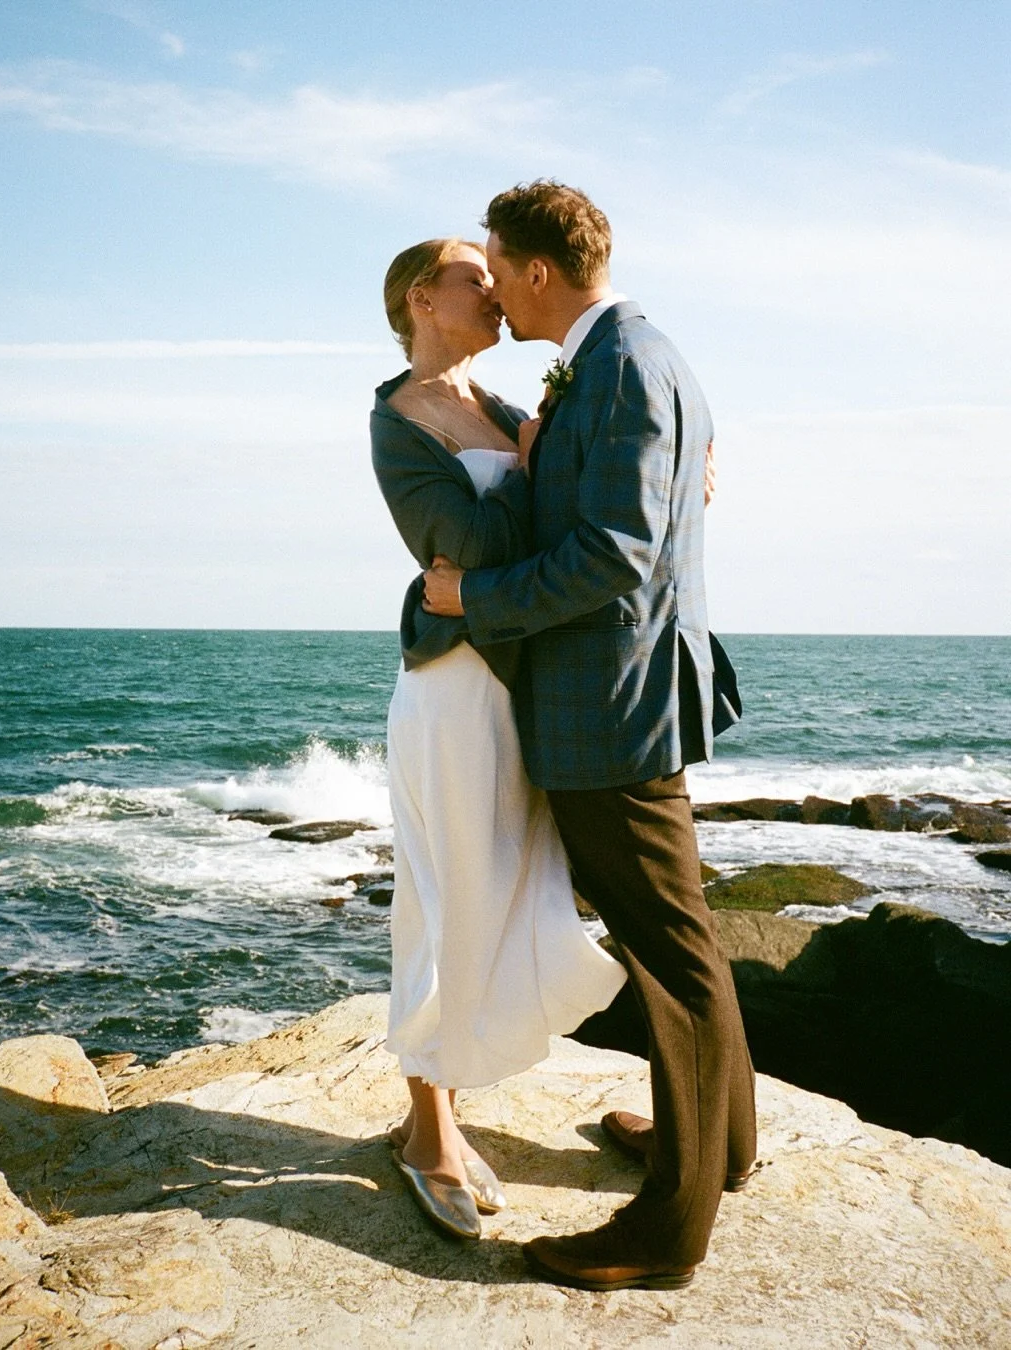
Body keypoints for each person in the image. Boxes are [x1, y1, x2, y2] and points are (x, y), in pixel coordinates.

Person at [423, 181, 758, 1290]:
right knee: (685, 935)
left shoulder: (622, 365)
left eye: (498, 271)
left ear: (533, 272)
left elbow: (613, 556)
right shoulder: (621, 360)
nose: (497, 298)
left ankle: (668, 1234)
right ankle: (723, 1145)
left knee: (671, 956)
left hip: (611, 702)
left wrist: (476, 596)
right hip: (623, 693)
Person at [370, 236, 628, 1241]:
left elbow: (584, 499)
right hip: (451, 691)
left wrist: (680, 458)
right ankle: (426, 1125)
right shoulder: (399, 421)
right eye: (471, 276)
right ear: (420, 300)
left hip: (516, 690)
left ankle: (439, 1102)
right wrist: (524, 479)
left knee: (497, 891)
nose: (494, 287)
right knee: (438, 897)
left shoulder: (512, 412)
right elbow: (468, 546)